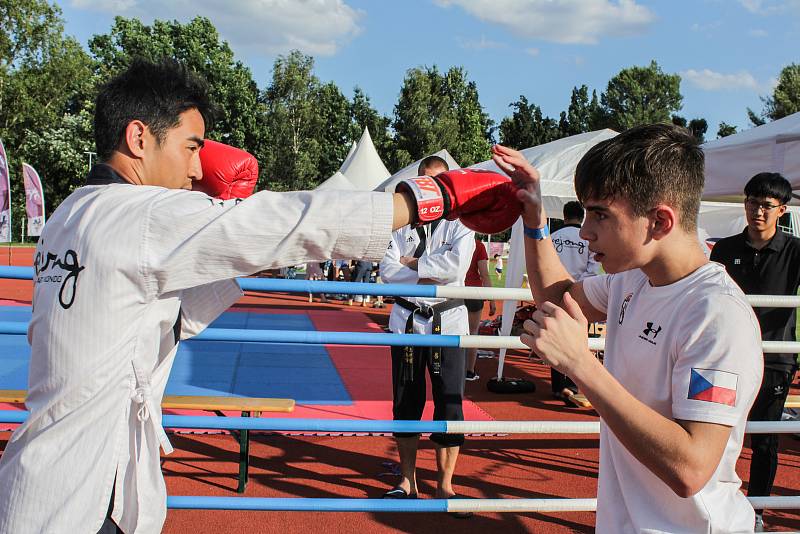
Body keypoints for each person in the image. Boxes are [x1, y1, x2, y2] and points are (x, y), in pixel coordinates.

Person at [0, 59, 522, 534]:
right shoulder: (141, 214)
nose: (196, 168)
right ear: (139, 138)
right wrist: (433, 195)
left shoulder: (73, 212)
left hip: (53, 482)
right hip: (84, 499)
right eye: (191, 146)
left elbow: (171, 314)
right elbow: (283, 222)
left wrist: (235, 237)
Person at [493, 123, 763, 533]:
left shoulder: (716, 313)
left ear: (659, 221)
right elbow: (559, 295)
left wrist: (581, 365)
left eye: (600, 214)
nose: (585, 231)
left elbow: (691, 468)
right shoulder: (633, 279)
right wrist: (533, 218)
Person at [379, 155, 475, 512]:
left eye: (441, 182)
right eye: (428, 183)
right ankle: (407, 479)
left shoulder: (462, 222)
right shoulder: (401, 223)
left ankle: (445, 484)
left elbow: (455, 267)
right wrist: (421, 270)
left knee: (450, 402)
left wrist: (412, 264)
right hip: (405, 320)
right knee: (406, 401)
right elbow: (388, 270)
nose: (434, 189)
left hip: (447, 320)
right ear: (420, 185)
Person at [710, 172, 800, 531]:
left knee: (764, 438)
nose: (757, 212)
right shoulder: (725, 248)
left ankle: (757, 509)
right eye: (751, 203)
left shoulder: (796, 250)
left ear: (781, 210)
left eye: (766, 205)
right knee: (715, 431)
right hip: (726, 355)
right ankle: (715, 502)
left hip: (775, 358)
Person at [550, 201, 601, 404]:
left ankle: (558, 386)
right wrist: (578, 286)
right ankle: (573, 384)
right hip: (580, 294)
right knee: (579, 338)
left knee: (554, 336)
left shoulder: (552, 238)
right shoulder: (588, 239)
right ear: (581, 217)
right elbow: (594, 268)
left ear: (564, 216)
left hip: (554, 292)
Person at [464, 236, 496, 381]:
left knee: (451, 332)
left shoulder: (452, 242)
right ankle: (469, 371)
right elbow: (484, 274)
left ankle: (452, 368)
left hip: (454, 291)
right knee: (472, 333)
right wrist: (492, 300)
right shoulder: (478, 246)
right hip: (473, 293)